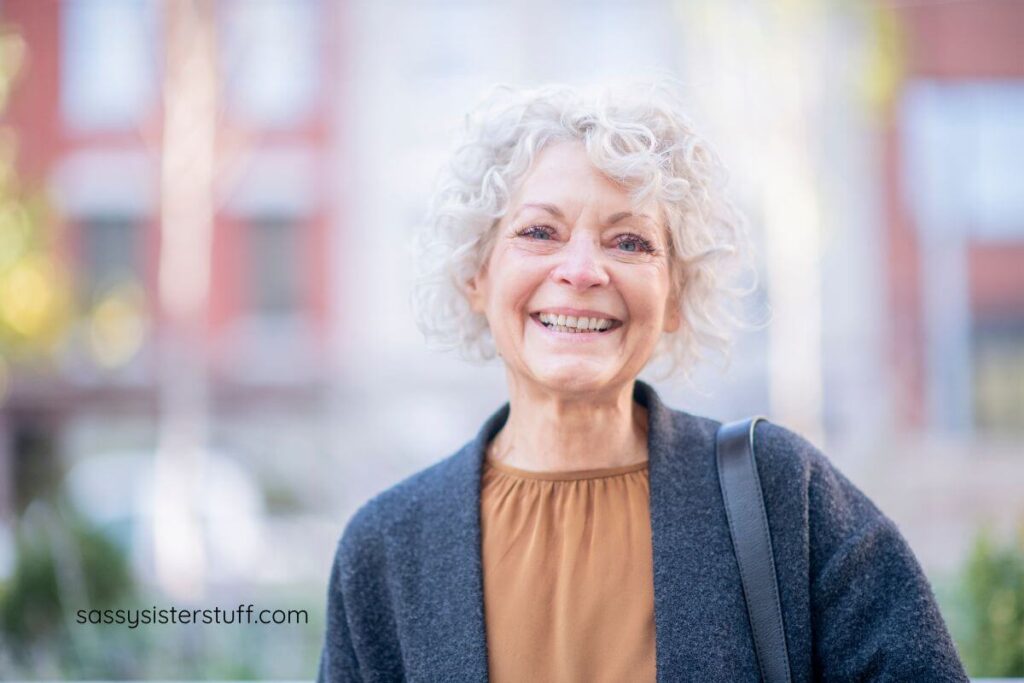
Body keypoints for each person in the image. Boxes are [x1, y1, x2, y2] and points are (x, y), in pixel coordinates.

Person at [317, 79, 968, 682]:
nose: (581, 269)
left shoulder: (781, 496)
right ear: (476, 277)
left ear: (676, 293)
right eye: (539, 231)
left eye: (629, 242)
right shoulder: (386, 547)